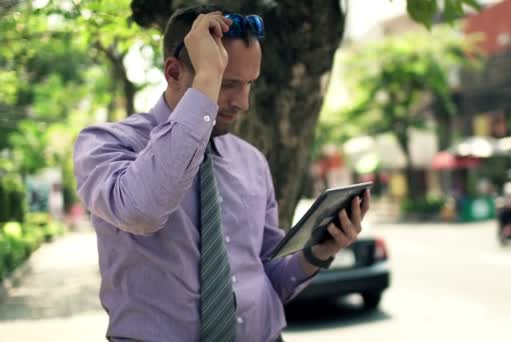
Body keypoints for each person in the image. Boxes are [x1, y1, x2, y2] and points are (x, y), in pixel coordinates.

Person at [73, 5, 370, 342]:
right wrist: (205, 81)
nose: (243, 102)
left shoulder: (252, 161)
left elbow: (268, 275)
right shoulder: (105, 144)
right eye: (227, 83)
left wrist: (319, 252)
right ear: (173, 72)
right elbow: (142, 210)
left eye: (249, 84)